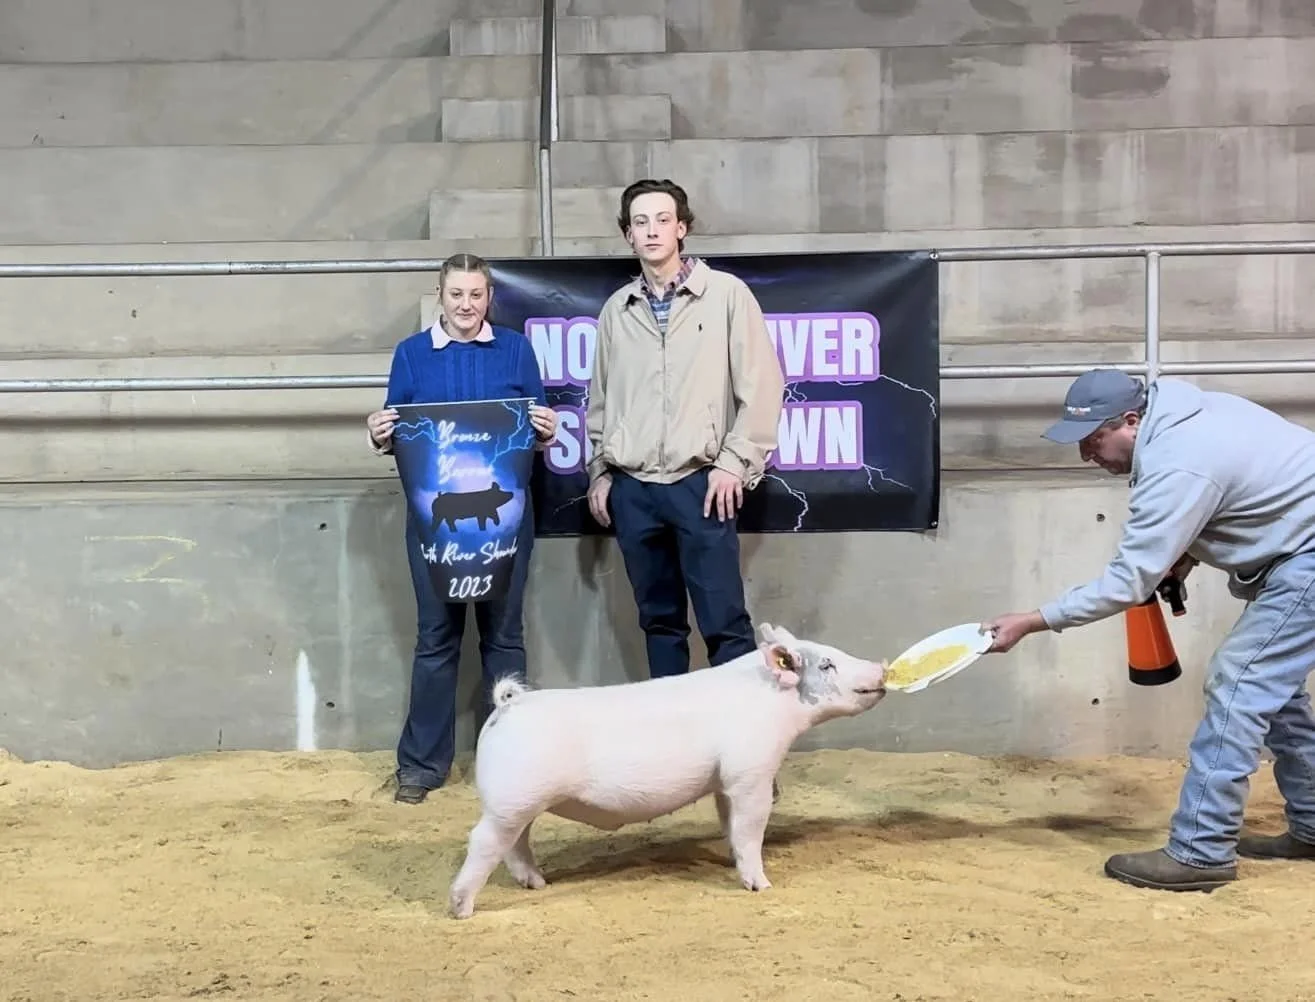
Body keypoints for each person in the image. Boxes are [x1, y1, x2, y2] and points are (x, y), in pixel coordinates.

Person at [983, 367, 1315, 891]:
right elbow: (1243, 492)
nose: (1086, 456)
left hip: (1307, 559)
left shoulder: (1178, 461)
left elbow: (1126, 582)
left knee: (1239, 685)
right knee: (1275, 693)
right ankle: (1313, 824)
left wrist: (1031, 620)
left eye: (1093, 441)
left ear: (1131, 421)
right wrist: (1183, 557)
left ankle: (1201, 852)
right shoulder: (1188, 416)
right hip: (1297, 550)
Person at [366, 253, 558, 805]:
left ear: (489, 298)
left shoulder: (516, 349)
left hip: (506, 522)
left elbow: (535, 425)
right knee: (436, 639)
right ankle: (422, 767)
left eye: (476, 295)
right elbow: (394, 429)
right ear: (440, 295)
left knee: (504, 637)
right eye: (456, 295)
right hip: (433, 527)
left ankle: (514, 760)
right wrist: (378, 430)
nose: (466, 305)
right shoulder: (411, 354)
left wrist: (545, 428)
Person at [584, 178, 786, 679]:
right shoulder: (617, 310)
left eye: (661, 220)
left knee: (725, 623)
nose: (651, 231)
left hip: (702, 485)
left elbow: (762, 387)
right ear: (627, 235)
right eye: (639, 222)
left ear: (682, 228)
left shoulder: (726, 296)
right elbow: (601, 400)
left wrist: (734, 464)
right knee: (659, 623)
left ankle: (741, 748)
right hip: (634, 490)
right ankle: (669, 748)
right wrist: (601, 471)